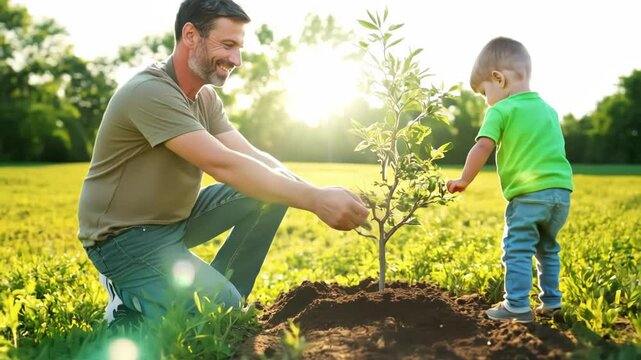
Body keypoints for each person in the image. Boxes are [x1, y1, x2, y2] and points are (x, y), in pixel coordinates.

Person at [77, 0, 369, 324]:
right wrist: (315, 201)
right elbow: (223, 165)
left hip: (174, 220)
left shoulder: (204, 97)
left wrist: (319, 192)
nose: (237, 59)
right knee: (222, 312)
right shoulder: (149, 92)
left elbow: (250, 158)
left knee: (271, 191)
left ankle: (217, 296)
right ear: (190, 35)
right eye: (228, 45)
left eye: (239, 47)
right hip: (124, 239)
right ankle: (130, 295)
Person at [446, 37, 573, 323]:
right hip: (561, 195)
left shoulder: (501, 110)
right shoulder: (549, 110)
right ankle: (552, 302)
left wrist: (464, 179)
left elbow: (482, 146)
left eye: (483, 93)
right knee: (547, 247)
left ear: (498, 78)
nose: (485, 100)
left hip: (528, 195)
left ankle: (516, 306)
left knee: (517, 248)